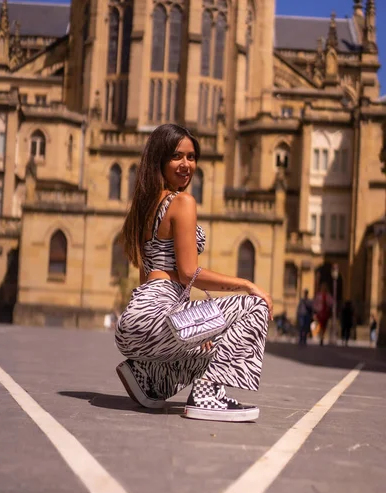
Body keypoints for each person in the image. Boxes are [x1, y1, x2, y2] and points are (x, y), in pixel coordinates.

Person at [114, 123, 272, 422]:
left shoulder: (144, 205)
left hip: (135, 322)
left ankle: (148, 374)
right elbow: (188, 273)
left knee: (211, 348)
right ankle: (207, 395)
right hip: (159, 314)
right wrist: (247, 285)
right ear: (160, 160)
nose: (187, 165)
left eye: (191, 157)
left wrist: (196, 325)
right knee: (256, 306)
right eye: (177, 156)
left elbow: (146, 273)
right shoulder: (182, 202)